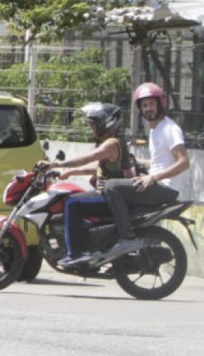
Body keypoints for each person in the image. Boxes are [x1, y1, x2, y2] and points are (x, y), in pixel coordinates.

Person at [101, 82, 192, 261]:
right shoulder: (155, 130)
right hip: (158, 184)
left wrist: (153, 177)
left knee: (112, 187)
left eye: (152, 104)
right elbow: (160, 162)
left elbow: (183, 162)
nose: (148, 108)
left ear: (160, 104)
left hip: (165, 188)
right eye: (144, 105)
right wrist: (136, 163)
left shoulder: (169, 129)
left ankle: (127, 239)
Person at [48, 102, 133, 268]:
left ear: (105, 123)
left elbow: (87, 158)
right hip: (111, 195)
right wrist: (72, 172)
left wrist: (55, 165)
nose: (91, 128)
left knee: (71, 203)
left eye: (93, 124)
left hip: (109, 197)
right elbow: (99, 168)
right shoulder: (115, 142)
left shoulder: (111, 144)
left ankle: (77, 253)